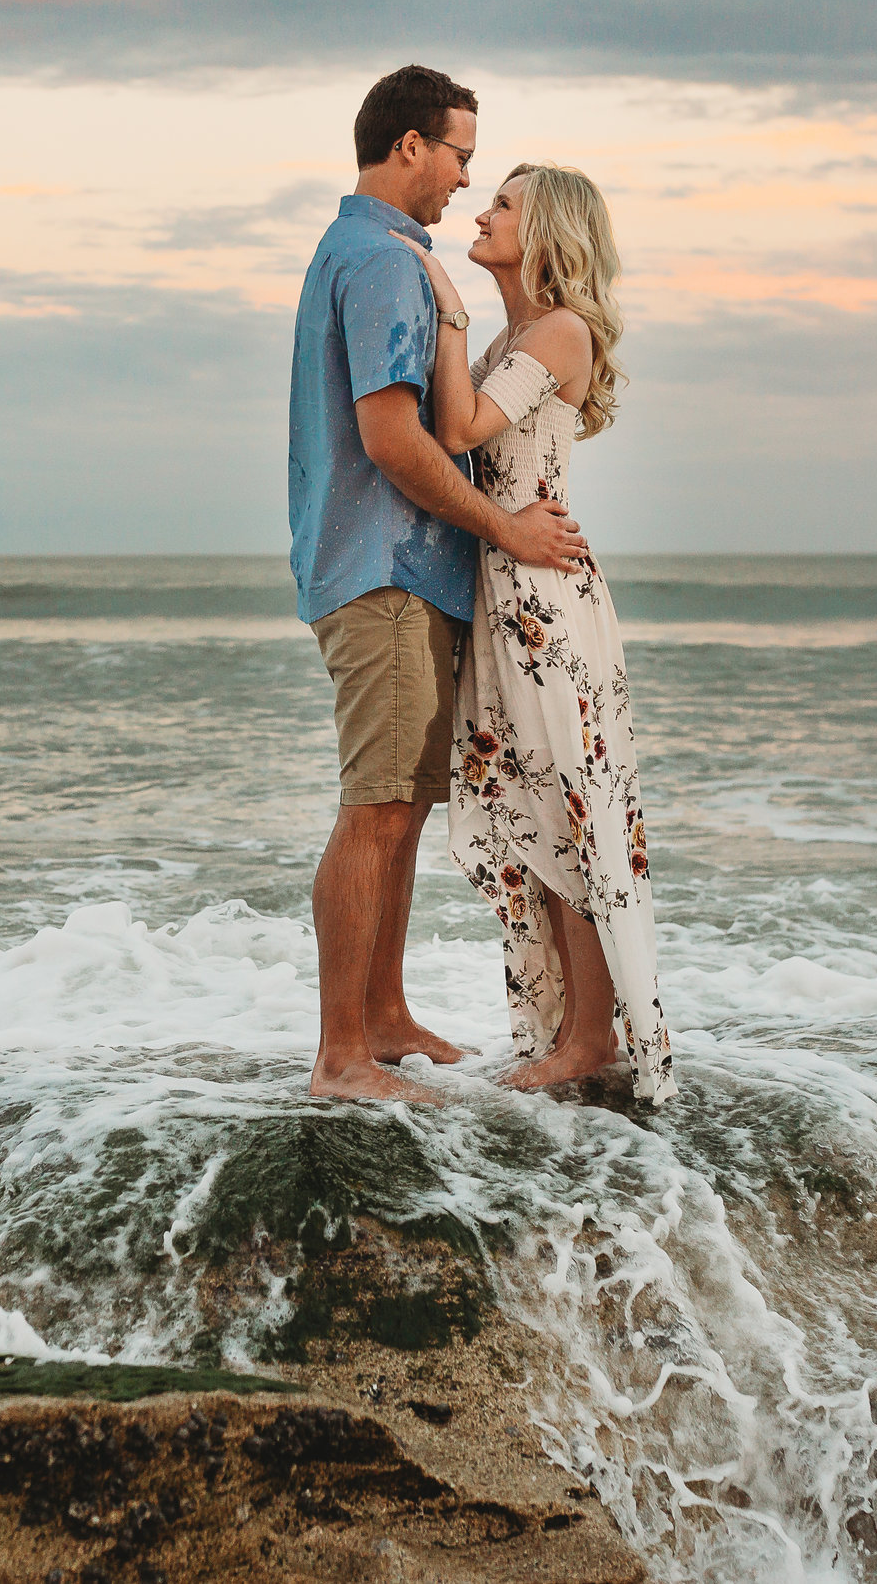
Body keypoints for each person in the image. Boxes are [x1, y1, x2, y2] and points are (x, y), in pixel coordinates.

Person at [289, 67, 593, 1103]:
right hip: (383, 565)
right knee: (376, 804)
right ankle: (341, 1054)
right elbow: (392, 439)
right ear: (408, 147)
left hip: (410, 570)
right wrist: (503, 525)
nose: (466, 177)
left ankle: (380, 1012)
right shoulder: (382, 261)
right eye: (461, 153)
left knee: (405, 804)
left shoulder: (392, 259)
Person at [389, 164, 680, 1105]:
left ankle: (591, 1037)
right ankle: (576, 1028)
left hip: (544, 599)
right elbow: (445, 429)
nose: (483, 211)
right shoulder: (525, 333)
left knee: (567, 811)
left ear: (547, 229)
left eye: (503, 204)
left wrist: (447, 308)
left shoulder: (559, 330)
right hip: (508, 585)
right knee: (533, 807)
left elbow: (462, 421)